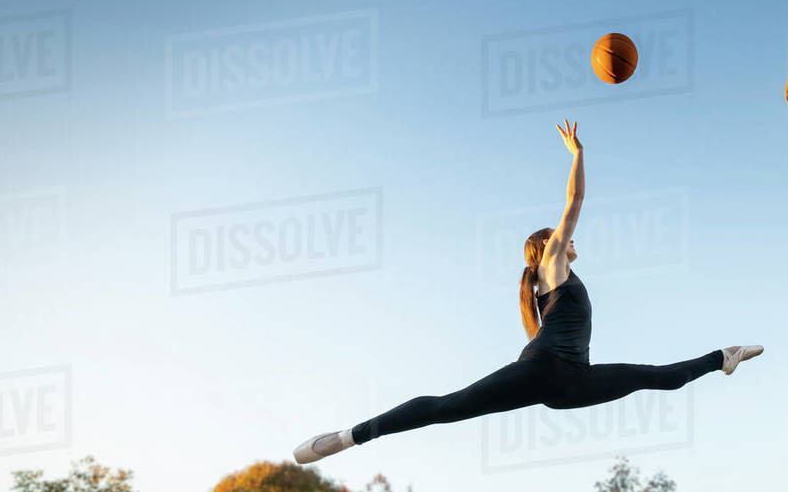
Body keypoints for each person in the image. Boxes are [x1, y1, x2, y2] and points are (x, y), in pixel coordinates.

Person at [294, 120, 762, 464]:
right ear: (544, 248)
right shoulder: (551, 266)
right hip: (544, 371)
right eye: (560, 239)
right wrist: (577, 154)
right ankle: (348, 436)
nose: (570, 241)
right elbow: (574, 203)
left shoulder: (553, 283)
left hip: (571, 380)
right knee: (447, 407)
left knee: (654, 376)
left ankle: (723, 355)